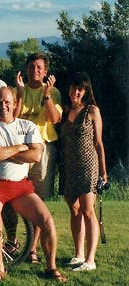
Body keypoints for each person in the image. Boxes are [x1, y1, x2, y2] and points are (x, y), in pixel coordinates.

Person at [0, 86, 66, 282]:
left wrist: (3, 152)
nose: (3, 106)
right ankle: (0, 269)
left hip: (21, 186)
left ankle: (51, 267)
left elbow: (36, 155)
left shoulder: (27, 126)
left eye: (7, 102)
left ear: (15, 103)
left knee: (47, 220)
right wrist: (19, 148)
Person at [13, 53, 63, 264]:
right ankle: (13, 242)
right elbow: (12, 118)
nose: (36, 70)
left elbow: (55, 119)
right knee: (14, 196)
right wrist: (21, 94)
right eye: (32, 66)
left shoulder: (53, 92)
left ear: (45, 71)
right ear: (26, 69)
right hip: (20, 148)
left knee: (38, 199)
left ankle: (32, 249)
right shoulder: (17, 90)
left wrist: (47, 95)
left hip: (42, 148)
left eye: (40, 67)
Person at [60, 72, 107, 272]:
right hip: (69, 166)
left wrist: (104, 174)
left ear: (86, 91)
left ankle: (90, 260)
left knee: (88, 211)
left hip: (88, 165)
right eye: (73, 88)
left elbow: (99, 143)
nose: (76, 92)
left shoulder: (92, 111)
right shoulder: (64, 110)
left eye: (80, 89)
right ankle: (78, 255)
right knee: (75, 210)